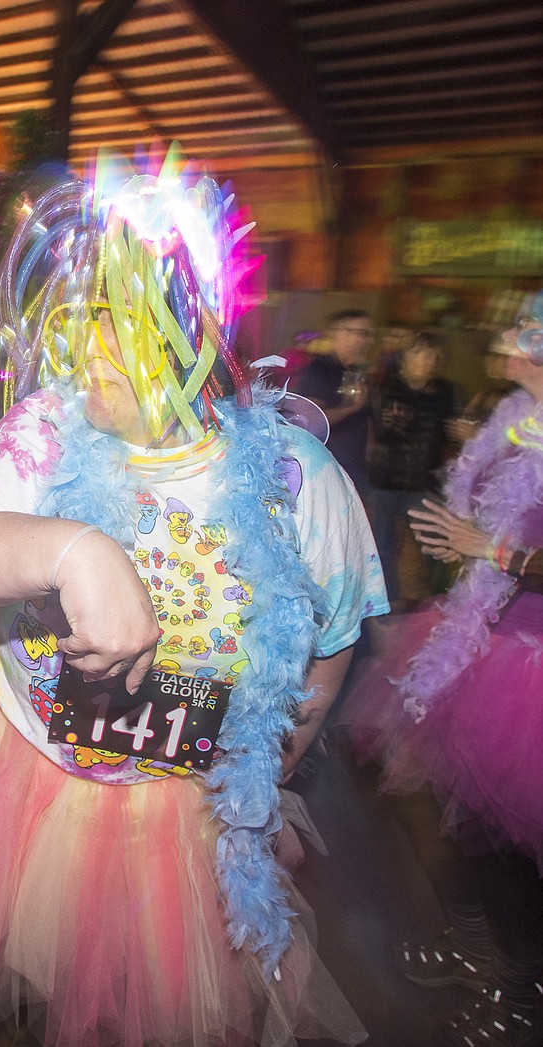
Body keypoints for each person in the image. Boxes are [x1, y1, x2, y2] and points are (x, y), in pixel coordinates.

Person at [0, 159, 387, 1047]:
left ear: (188, 331)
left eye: (113, 326)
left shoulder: (301, 478)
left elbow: (335, 642)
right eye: (74, 325)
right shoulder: (47, 425)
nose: (81, 352)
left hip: (181, 824)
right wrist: (74, 548)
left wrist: (273, 760)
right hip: (20, 787)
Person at [340, 296, 543, 1047]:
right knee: (465, 814)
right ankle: (475, 944)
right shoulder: (514, 418)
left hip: (528, 665)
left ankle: (522, 991)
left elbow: (510, 548)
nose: (504, 341)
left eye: (524, 335)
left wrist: (493, 550)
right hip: (478, 633)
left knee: (505, 835)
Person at [367, 332, 455, 609]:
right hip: (386, 479)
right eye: (420, 354)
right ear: (405, 359)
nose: (427, 361)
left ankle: (433, 600)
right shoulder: (388, 387)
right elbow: (387, 431)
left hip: (423, 481)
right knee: (382, 545)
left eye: (432, 356)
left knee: (434, 543)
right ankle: (388, 600)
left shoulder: (444, 391)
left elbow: (448, 431)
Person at [290, 309, 376, 494]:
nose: (368, 341)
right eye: (362, 333)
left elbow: (365, 418)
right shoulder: (319, 371)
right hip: (327, 468)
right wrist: (351, 407)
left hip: (354, 466)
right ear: (339, 332)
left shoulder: (354, 371)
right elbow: (310, 421)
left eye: (370, 334)